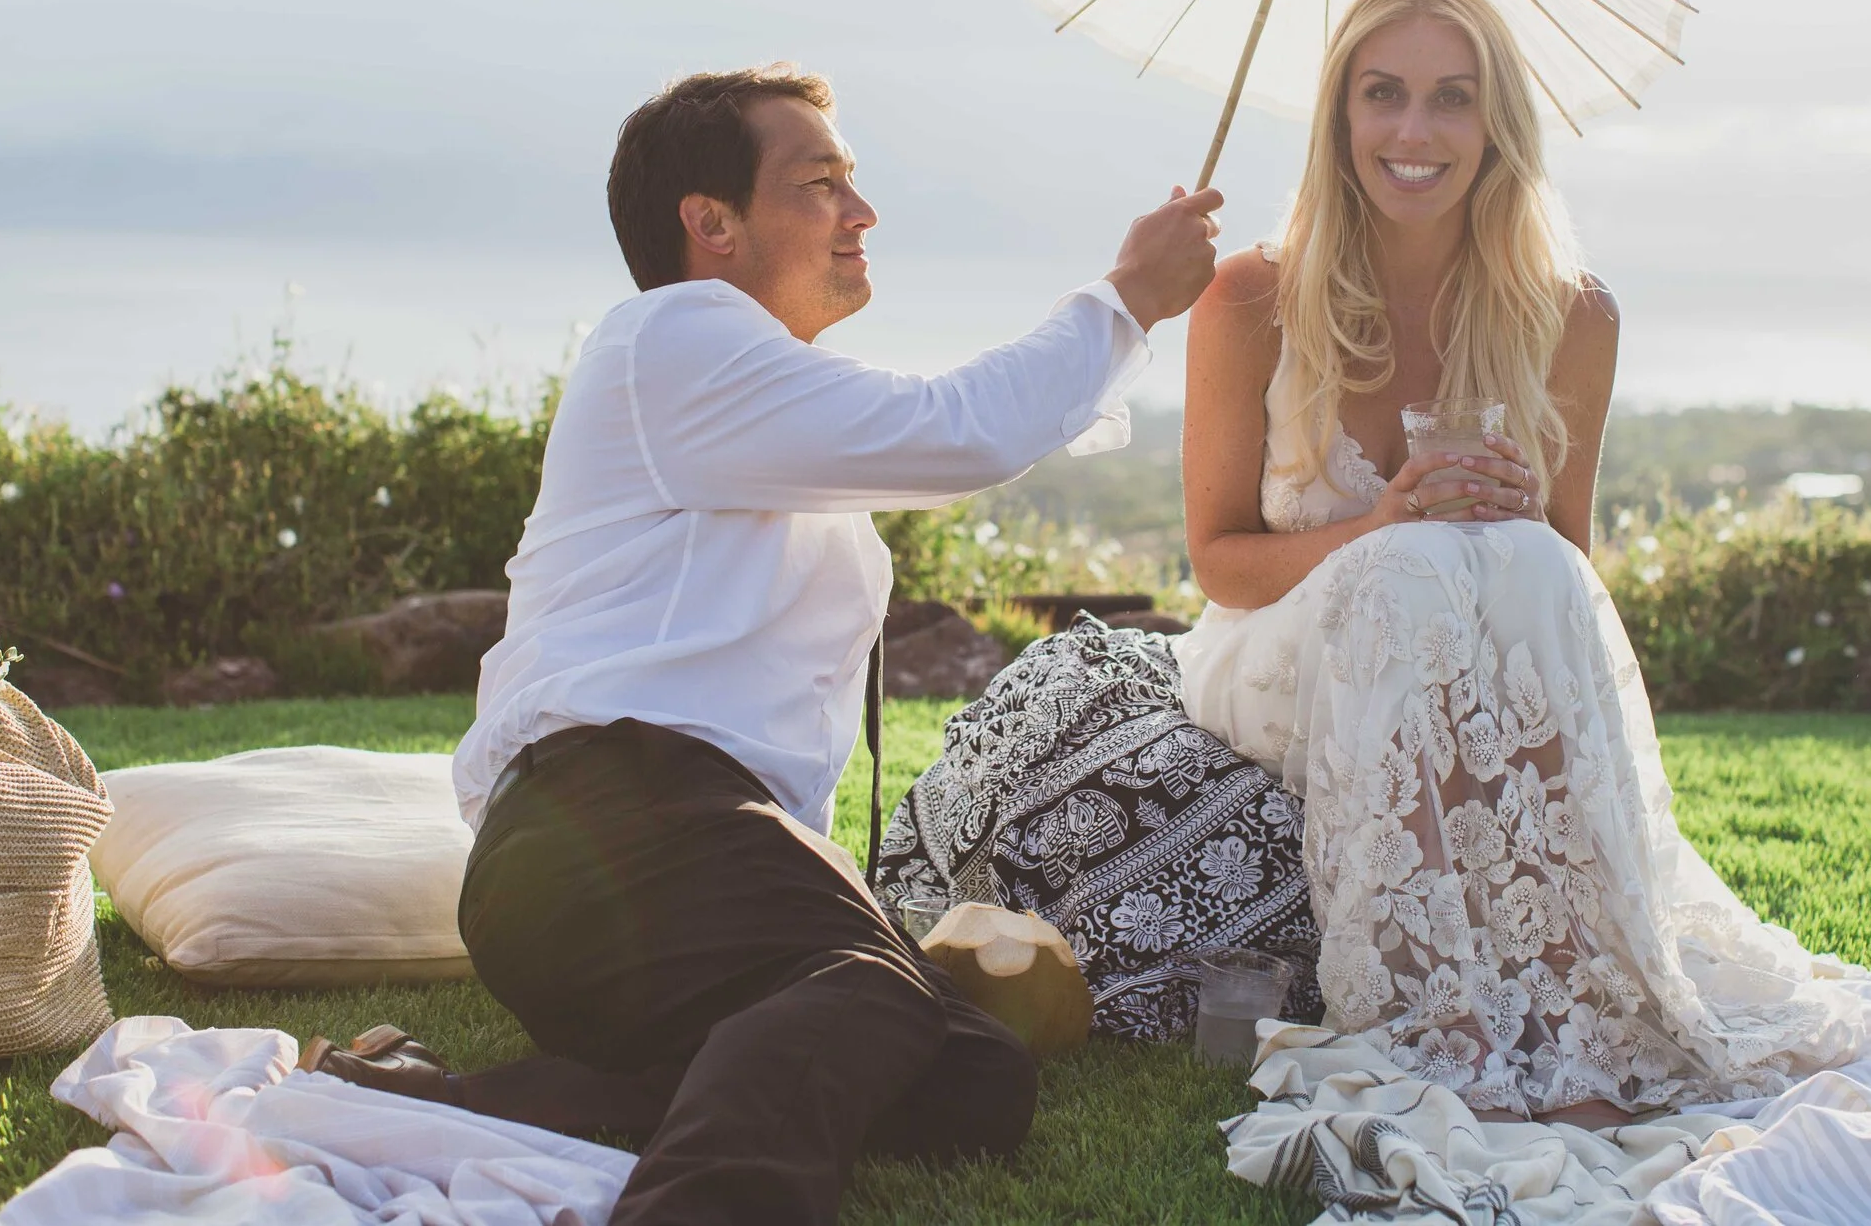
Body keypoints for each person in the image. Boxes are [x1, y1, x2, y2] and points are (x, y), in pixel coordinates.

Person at [305, 63, 1222, 1225]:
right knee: (870, 992)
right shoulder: (672, 337)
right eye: (820, 182)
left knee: (973, 1079)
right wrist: (1127, 297)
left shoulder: (756, 386)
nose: (861, 211)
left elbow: (939, 435)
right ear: (712, 221)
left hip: (670, 863)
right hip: (613, 821)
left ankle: (434, 1101)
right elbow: (957, 430)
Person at [1171, 0, 1859, 1120]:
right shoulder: (1251, 294)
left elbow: (1565, 578)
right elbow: (1218, 562)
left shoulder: (1571, 314)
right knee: (1404, 564)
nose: (1414, 130)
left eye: (1452, 97)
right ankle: (1428, 1014)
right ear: (1340, 115)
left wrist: (1506, 518)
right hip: (1277, 647)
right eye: (1383, 93)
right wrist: (1379, 524)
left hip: (1463, 652)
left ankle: (1566, 989)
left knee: (1523, 558)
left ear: (1497, 124)